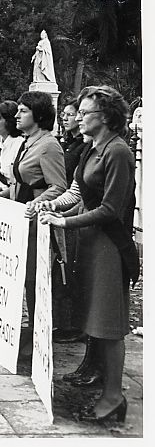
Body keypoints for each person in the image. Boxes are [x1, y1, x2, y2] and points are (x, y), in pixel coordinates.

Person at [38, 85, 135, 423]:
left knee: (108, 325)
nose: (78, 118)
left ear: (105, 116)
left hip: (108, 246)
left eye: (84, 113)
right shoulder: (93, 149)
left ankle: (113, 397)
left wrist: (64, 221)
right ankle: (107, 391)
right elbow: (78, 193)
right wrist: (52, 206)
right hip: (90, 243)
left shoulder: (117, 151)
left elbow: (110, 209)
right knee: (95, 321)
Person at [10, 91, 67, 360]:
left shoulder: (48, 145)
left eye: (23, 111)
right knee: (24, 277)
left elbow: (58, 186)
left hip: (37, 222)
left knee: (35, 279)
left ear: (39, 115)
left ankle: (38, 334)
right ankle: (29, 329)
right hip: (21, 216)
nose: (17, 115)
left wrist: (36, 203)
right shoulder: (28, 142)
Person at [52, 97, 87, 344]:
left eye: (71, 114)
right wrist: (54, 205)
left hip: (76, 217)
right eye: (63, 114)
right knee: (63, 270)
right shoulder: (69, 144)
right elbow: (73, 187)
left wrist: (66, 215)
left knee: (71, 270)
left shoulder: (86, 148)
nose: (66, 118)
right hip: (67, 210)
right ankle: (65, 322)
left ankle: (74, 325)